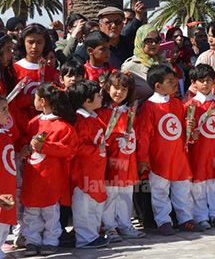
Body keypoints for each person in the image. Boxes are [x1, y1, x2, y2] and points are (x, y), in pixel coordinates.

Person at [135, 64, 201, 235]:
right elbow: (143, 135)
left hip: (178, 156)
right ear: (158, 86)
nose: (174, 83)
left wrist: (189, 126)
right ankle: (163, 221)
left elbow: (180, 126)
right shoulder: (149, 107)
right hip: (159, 158)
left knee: (182, 189)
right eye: (170, 81)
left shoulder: (178, 104)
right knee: (159, 191)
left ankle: (185, 218)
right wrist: (143, 159)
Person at [20, 83, 77, 257]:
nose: (33, 101)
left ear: (43, 101)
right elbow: (23, 142)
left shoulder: (63, 126)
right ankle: (32, 241)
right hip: (32, 175)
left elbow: (69, 149)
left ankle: (51, 241)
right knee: (31, 211)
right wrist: (24, 149)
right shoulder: (32, 123)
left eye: (35, 98)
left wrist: (45, 146)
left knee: (51, 213)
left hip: (51, 177)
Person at [97, 71, 146, 241]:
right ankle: (109, 226)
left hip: (128, 160)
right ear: (108, 88)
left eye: (124, 89)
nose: (119, 92)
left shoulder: (130, 113)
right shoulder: (102, 113)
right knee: (111, 195)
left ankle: (125, 224)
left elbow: (137, 136)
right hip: (111, 162)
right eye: (116, 88)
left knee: (126, 194)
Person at [67, 80, 109, 249]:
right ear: (87, 101)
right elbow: (76, 147)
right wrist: (95, 149)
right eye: (98, 95)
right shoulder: (79, 120)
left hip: (96, 169)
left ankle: (93, 234)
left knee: (96, 203)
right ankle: (85, 238)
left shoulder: (94, 117)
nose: (101, 98)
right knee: (84, 205)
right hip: (83, 170)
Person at [185, 64, 215, 230]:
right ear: (194, 83)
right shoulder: (189, 106)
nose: (205, 84)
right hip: (198, 153)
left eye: (209, 80)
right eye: (201, 81)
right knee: (199, 186)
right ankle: (201, 216)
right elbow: (184, 132)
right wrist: (190, 135)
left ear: (214, 82)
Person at [13, 24, 59, 137]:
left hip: (46, 130)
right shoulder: (14, 70)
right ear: (23, 42)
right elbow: (10, 103)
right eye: (30, 42)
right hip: (19, 129)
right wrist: (30, 99)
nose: (34, 46)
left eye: (39, 42)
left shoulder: (51, 72)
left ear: (45, 44)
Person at [73, 3, 146, 68]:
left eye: (117, 22)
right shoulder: (88, 47)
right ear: (100, 26)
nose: (113, 26)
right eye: (108, 22)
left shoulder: (130, 46)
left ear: (122, 25)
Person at [122, 25, 169, 103]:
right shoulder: (130, 67)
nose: (154, 44)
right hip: (141, 112)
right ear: (140, 41)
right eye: (149, 41)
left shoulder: (165, 64)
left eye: (157, 40)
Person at [0, 96, 17, 259]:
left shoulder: (5, 134)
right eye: (4, 109)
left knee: (4, 220)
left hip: (7, 185)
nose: (8, 113)